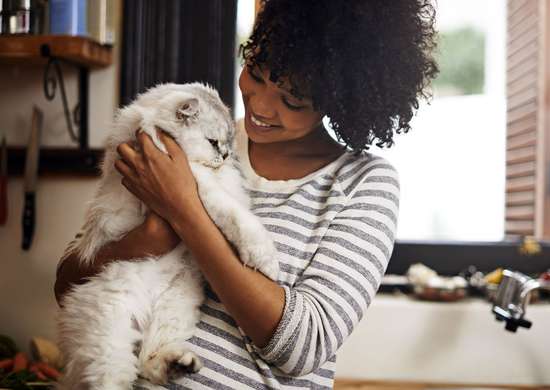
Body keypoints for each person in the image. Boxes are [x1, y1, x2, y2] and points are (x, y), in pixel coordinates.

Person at [54, 0, 438, 388]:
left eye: (292, 100)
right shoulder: (196, 136)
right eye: (256, 73)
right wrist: (145, 240)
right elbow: (68, 283)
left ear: (339, 102)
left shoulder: (365, 184)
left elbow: (303, 348)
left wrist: (186, 212)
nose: (260, 105)